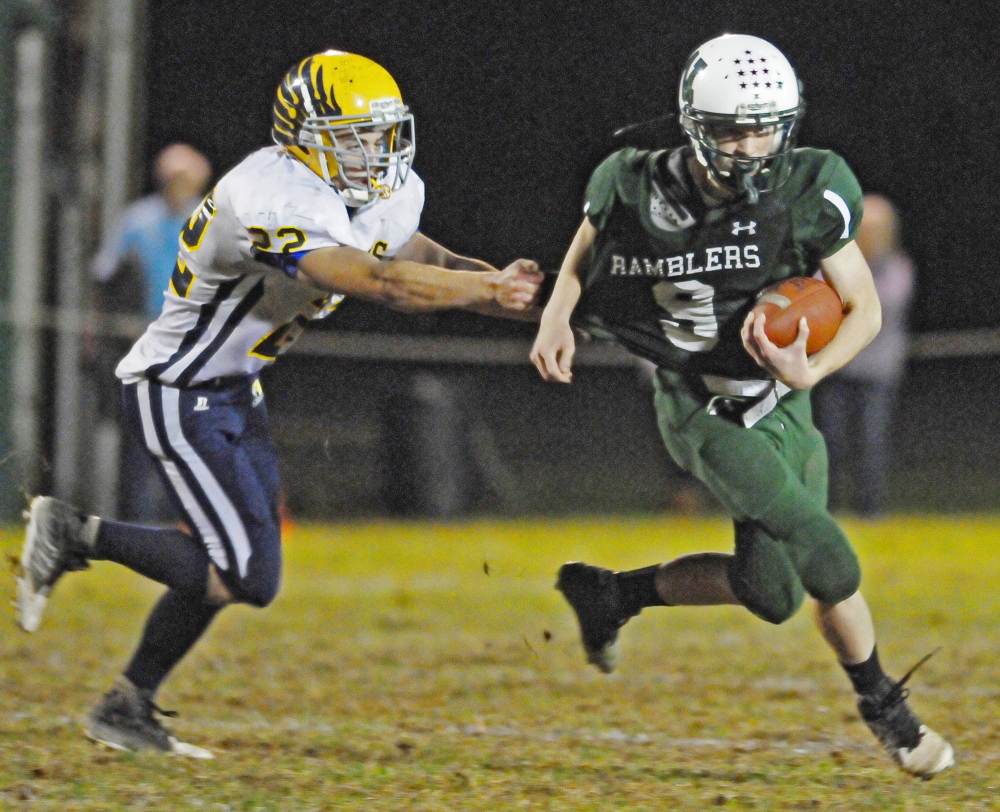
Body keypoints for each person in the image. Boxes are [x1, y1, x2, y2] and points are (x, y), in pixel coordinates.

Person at [16, 50, 541, 757]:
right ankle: (76, 534)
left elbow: (433, 264)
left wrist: (531, 302)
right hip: (177, 387)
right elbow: (380, 282)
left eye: (381, 135)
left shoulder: (376, 194)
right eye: (354, 138)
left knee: (237, 568)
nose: (374, 153)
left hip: (236, 389)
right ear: (304, 139)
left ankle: (126, 704)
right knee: (244, 574)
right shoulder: (268, 194)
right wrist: (489, 291)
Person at [530, 34, 952, 778]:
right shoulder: (633, 183)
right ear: (695, 126)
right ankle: (888, 711)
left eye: (766, 129)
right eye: (732, 131)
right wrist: (557, 315)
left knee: (774, 593)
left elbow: (864, 309)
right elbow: (583, 253)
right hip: (699, 405)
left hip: (782, 400)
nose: (753, 147)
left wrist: (811, 368)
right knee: (828, 555)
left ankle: (613, 594)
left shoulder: (807, 187)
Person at [90, 143, 214, 522]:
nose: (177, 185)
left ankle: (190, 520)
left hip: (195, 342)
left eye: (185, 178)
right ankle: (139, 521)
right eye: (172, 177)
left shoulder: (210, 221)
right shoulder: (138, 219)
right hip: (142, 342)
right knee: (142, 436)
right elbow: (105, 273)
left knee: (193, 432)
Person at [812, 194, 915, 516]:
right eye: (863, 228)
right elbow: (815, 304)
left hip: (877, 372)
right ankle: (825, 509)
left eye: (875, 229)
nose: (868, 235)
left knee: (871, 443)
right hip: (835, 370)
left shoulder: (898, 268)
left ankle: (870, 510)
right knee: (829, 442)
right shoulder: (831, 264)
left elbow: (874, 309)